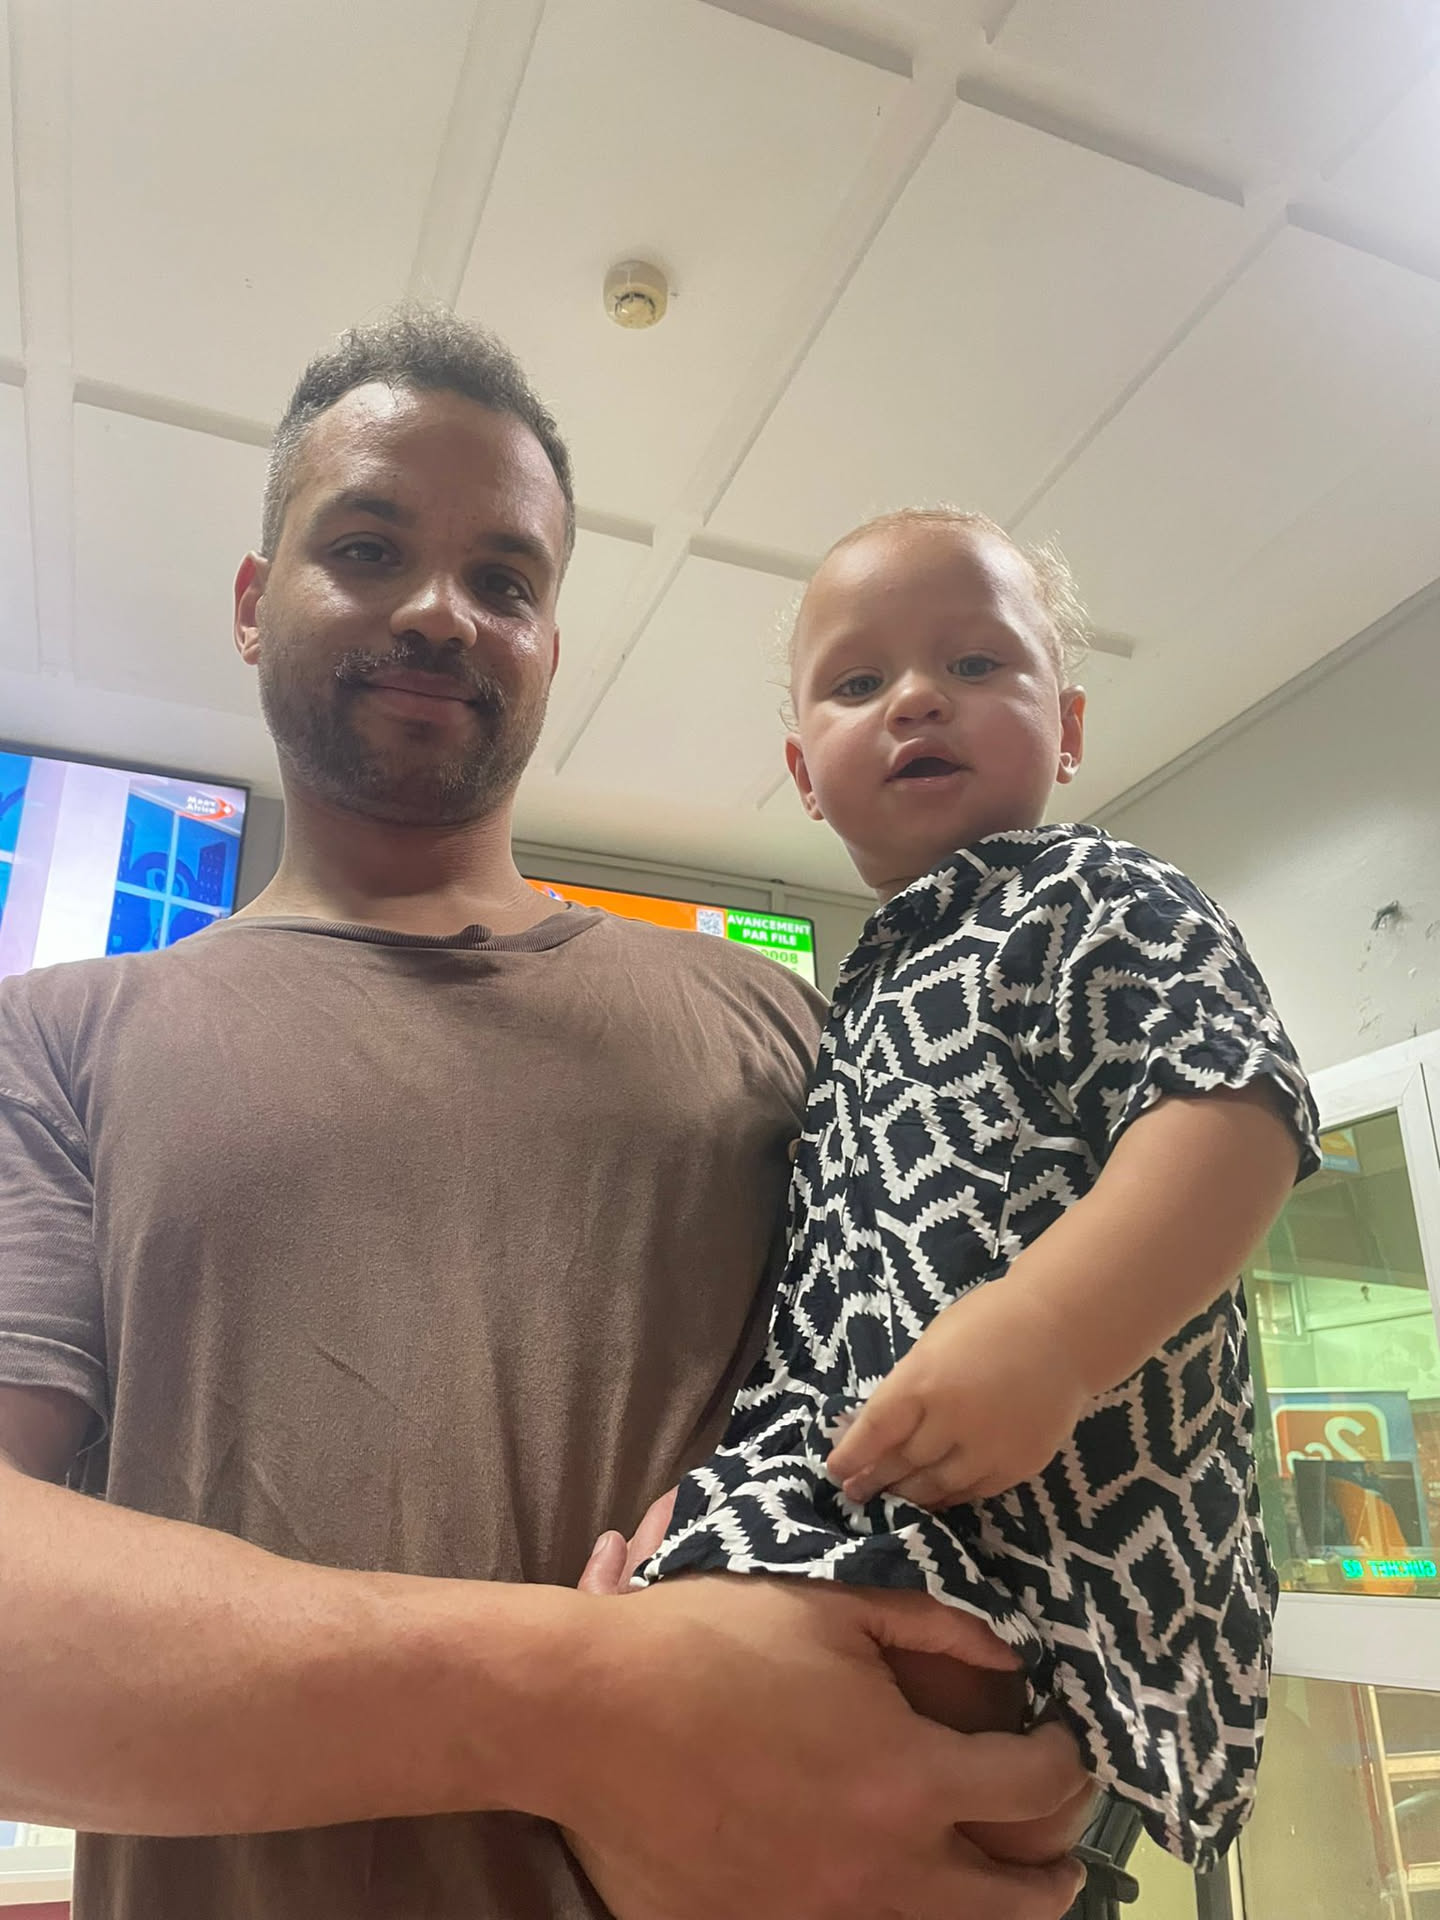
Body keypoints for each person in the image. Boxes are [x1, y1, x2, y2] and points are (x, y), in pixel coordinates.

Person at [0, 313, 1094, 1920]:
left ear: (551, 647)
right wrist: (594, 1703)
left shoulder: (792, 1022)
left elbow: (997, 1437)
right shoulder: (54, 1040)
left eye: (505, 579)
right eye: (367, 547)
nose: (440, 610)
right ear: (251, 603)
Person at [639, 508, 1322, 1872]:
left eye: (974, 663)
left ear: (1067, 729)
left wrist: (1053, 1336)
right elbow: (825, 1304)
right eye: (858, 682)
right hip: (883, 1504)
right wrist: (719, 1500)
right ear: (804, 774)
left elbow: (1233, 1115)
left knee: (926, 1779)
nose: (915, 700)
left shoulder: (1096, 893)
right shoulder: (853, 1009)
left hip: (1068, 1557)